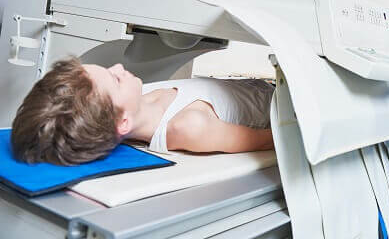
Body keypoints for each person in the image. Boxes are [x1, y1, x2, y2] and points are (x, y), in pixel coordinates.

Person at [11, 57, 275, 166]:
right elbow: (270, 139)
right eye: (115, 79)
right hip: (281, 99)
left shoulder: (136, 99)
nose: (118, 67)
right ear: (123, 123)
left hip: (252, 84)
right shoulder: (188, 127)